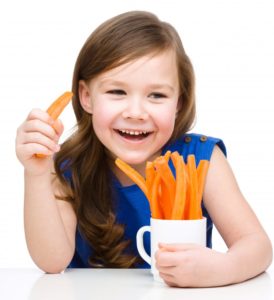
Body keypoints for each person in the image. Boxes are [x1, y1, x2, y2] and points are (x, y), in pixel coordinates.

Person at [15, 11, 272, 287]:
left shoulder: (201, 159)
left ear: (179, 103)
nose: (136, 112)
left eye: (157, 95)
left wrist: (222, 268)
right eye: (117, 92)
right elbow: (52, 263)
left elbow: (258, 247)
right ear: (86, 97)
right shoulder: (67, 166)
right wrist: (37, 173)